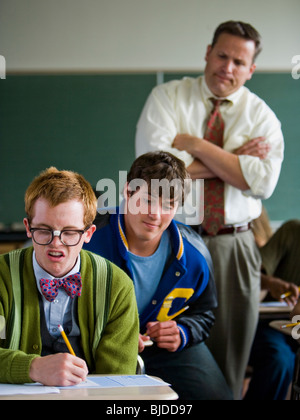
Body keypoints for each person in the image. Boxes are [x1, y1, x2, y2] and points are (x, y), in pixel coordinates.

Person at [135, 20, 284, 398]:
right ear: (208, 52)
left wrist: (195, 147)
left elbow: (261, 183)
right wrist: (234, 162)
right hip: (170, 241)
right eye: (222, 55)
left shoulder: (262, 117)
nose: (227, 67)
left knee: (230, 360)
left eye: (239, 61)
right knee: (162, 348)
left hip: (235, 246)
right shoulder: (167, 97)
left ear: (251, 69)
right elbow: (156, 172)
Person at [84, 151, 232, 400]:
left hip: (164, 350)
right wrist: (117, 336)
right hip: (95, 345)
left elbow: (204, 313)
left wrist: (183, 332)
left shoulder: (195, 254)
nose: (155, 214)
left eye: (168, 205)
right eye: (148, 200)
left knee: (218, 396)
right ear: (128, 192)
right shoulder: (88, 239)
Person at [0, 167, 139, 386]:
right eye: (44, 230)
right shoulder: (2, 276)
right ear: (28, 228)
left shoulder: (117, 286)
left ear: (88, 234)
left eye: (69, 232)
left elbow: (117, 378)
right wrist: (32, 367)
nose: (56, 243)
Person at [245, 219, 300, 399]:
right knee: (279, 359)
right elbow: (250, 274)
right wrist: (270, 283)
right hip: (272, 325)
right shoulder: (292, 231)